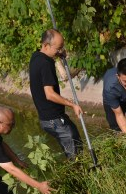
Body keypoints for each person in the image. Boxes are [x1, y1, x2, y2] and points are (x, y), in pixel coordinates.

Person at [29, 29, 84, 159]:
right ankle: (80, 174)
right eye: (58, 48)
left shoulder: (36, 56)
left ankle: (79, 171)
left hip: (46, 119)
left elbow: (51, 55)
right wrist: (73, 105)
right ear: (46, 45)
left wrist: (57, 54)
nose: (60, 51)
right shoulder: (45, 63)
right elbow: (49, 94)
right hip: (54, 119)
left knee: (73, 141)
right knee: (75, 150)